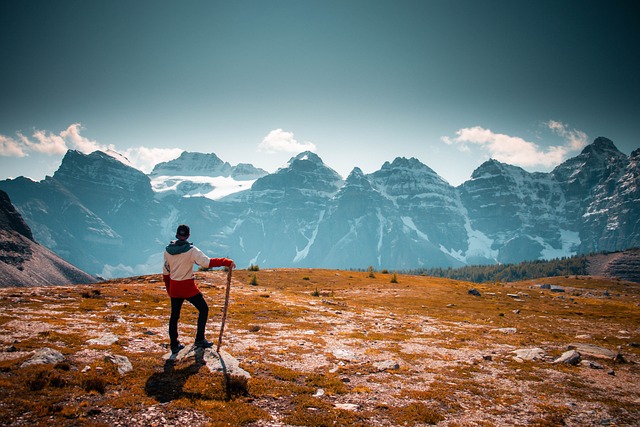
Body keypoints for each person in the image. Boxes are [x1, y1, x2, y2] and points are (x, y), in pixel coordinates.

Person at [162, 224, 235, 354]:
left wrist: (169, 289)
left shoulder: (168, 251)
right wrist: (225, 261)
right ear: (188, 236)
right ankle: (199, 339)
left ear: (177, 235)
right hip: (188, 288)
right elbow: (207, 262)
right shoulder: (191, 250)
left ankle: (174, 344)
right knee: (203, 309)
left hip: (174, 287)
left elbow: (166, 273)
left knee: (174, 316)